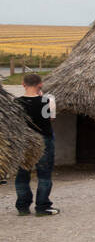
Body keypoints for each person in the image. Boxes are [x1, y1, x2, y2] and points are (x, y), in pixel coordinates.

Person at [14, 73, 57, 216]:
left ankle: (22, 206)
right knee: (44, 174)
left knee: (22, 174)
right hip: (43, 140)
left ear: (23, 84)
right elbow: (50, 119)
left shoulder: (16, 102)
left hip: (24, 141)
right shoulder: (48, 100)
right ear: (40, 84)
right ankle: (42, 207)